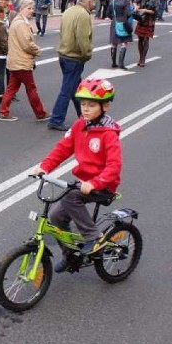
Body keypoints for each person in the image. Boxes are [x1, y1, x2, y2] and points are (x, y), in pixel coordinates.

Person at [31, 78, 122, 273]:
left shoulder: (108, 134)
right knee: (56, 217)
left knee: (72, 198)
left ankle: (94, 237)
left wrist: (96, 183)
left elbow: (114, 167)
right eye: (83, 104)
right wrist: (44, 167)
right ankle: (70, 255)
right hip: (83, 184)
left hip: (104, 186)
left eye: (91, 105)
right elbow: (63, 148)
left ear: (105, 106)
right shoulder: (80, 125)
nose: (85, 109)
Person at [47, 0, 94, 131]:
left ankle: (84, 116)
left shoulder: (68, 11)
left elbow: (62, 31)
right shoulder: (83, 15)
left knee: (76, 89)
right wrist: (87, 53)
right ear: (89, 1)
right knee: (67, 90)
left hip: (64, 54)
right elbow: (82, 38)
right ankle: (56, 118)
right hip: (74, 57)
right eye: (93, 1)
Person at [0, 0, 49, 122]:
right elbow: (26, 44)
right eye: (29, 8)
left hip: (15, 61)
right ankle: (40, 113)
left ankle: (3, 112)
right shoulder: (21, 24)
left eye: (32, 8)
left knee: (12, 88)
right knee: (31, 88)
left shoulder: (18, 21)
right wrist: (38, 51)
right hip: (21, 61)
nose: (31, 11)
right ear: (21, 9)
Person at [134, 0, 159, 68]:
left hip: (149, 20)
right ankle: (140, 57)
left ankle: (143, 59)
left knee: (146, 39)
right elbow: (135, 1)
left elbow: (155, 11)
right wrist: (136, 7)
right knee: (140, 39)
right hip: (141, 19)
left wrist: (145, 10)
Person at [110, 0, 133, 70]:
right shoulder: (126, 1)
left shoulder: (112, 0)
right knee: (124, 43)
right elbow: (128, 13)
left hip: (114, 22)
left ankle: (113, 63)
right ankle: (121, 63)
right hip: (123, 22)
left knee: (114, 43)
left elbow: (109, 13)